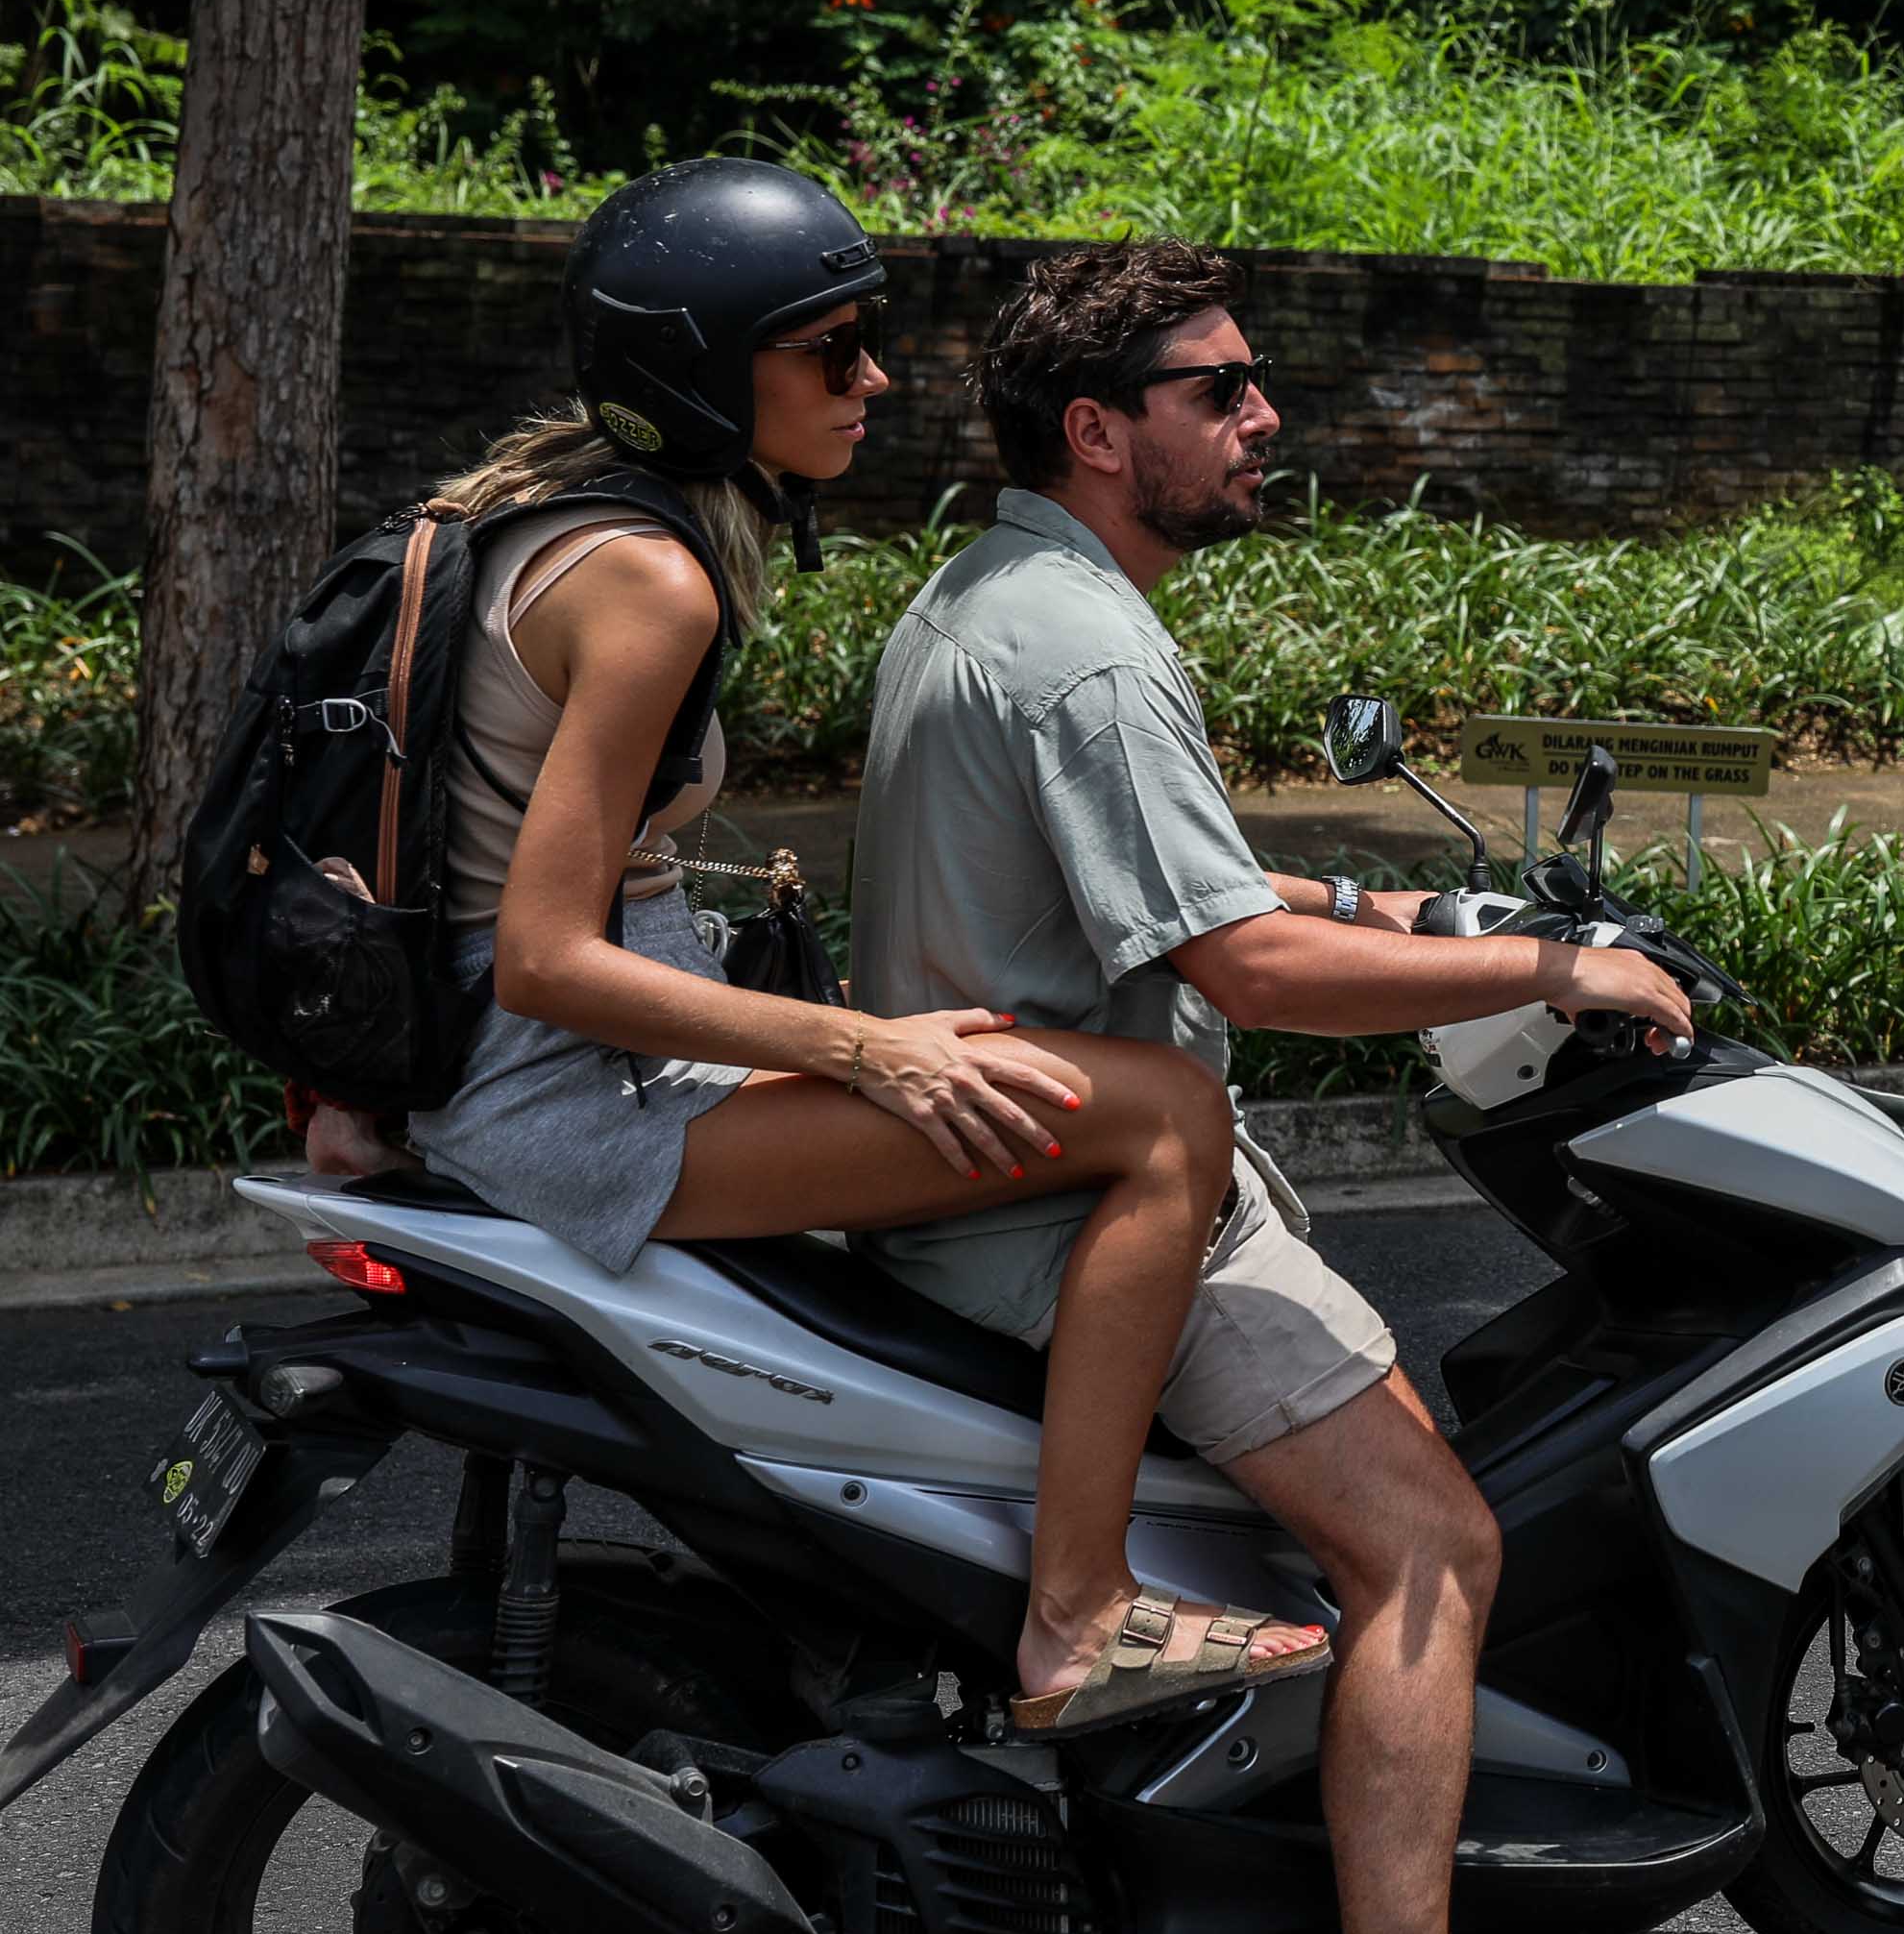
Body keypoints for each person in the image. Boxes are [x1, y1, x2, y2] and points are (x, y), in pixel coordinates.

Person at [847, 236, 1697, 1934]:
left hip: (1018, 1172)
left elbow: (1178, 884)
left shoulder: (1004, 594)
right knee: (1432, 1536)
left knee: (1393, 1452)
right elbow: (1240, 963)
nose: (1262, 418)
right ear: (1098, 426)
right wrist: (1560, 969)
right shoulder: (1086, 642)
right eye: (1218, 389)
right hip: (1079, 1211)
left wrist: (1412, 911)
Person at [393, 159, 1316, 1738]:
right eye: (830, 350)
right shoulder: (652, 582)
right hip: (577, 1106)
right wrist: (861, 1042)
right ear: (705, 368)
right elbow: (545, 955)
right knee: (1166, 1115)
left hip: (507, 1074)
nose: (875, 378)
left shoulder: (513, 509)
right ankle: (1082, 1613)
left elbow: (439, 854)